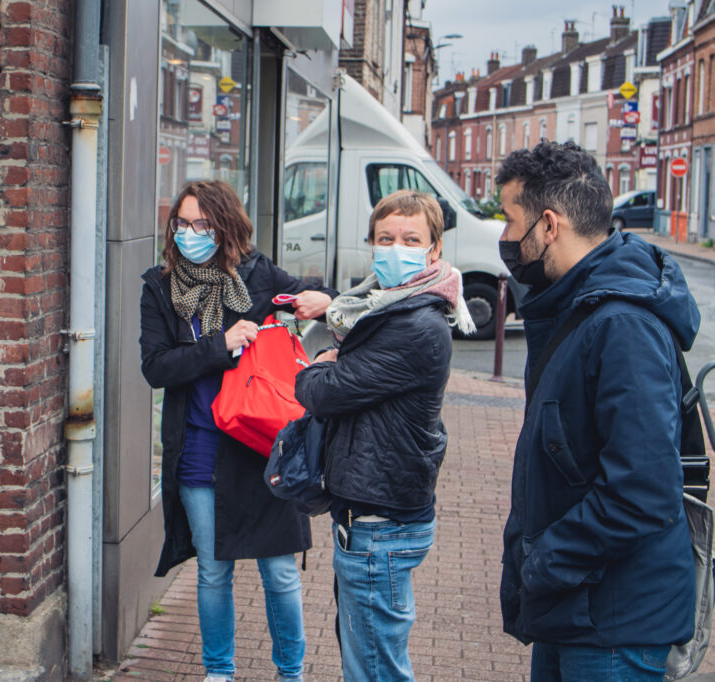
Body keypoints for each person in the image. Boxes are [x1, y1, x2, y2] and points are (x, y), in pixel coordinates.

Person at [496, 141, 699, 681]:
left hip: (615, 624)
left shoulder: (621, 324)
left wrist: (543, 561)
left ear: (548, 225)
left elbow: (643, 489)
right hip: (580, 607)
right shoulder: (578, 305)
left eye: (509, 220)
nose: (505, 239)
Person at [139, 180, 336, 682]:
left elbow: (315, 301)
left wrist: (323, 300)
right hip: (200, 450)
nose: (190, 234)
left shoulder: (259, 276)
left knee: (279, 573)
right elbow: (157, 368)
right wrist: (219, 345)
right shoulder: (160, 288)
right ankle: (218, 672)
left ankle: (290, 673)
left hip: (261, 445)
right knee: (213, 569)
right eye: (182, 224)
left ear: (226, 227)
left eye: (202, 224)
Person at [294, 190, 475, 682]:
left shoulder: (415, 324)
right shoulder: (385, 304)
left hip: (381, 522)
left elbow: (323, 393)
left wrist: (317, 365)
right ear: (372, 245)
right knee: (368, 658)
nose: (396, 248)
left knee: (376, 669)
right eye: (386, 238)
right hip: (375, 514)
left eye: (411, 239)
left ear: (434, 250)